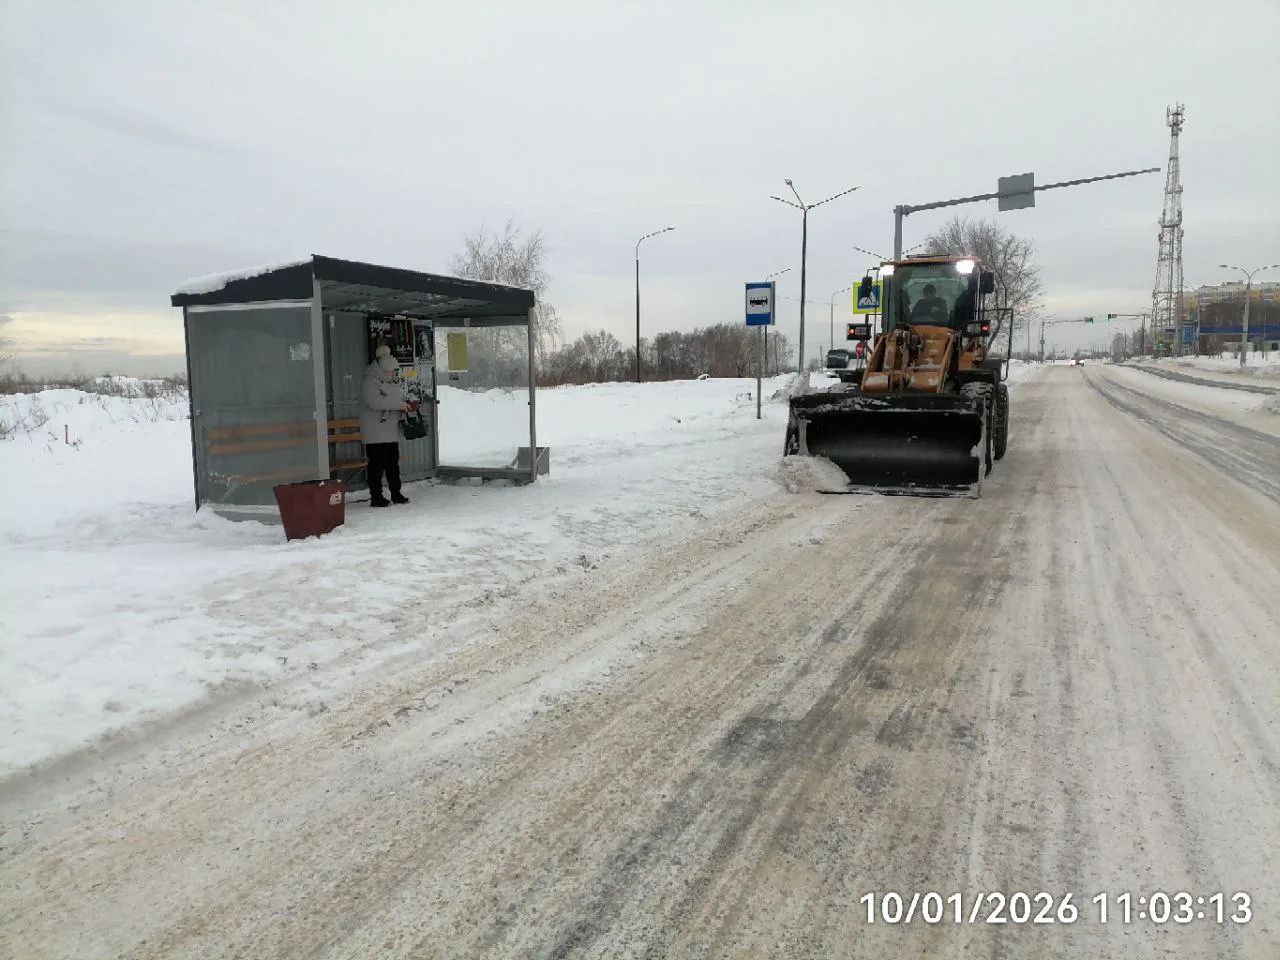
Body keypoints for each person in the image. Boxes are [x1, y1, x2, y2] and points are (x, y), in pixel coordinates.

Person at [360, 345, 412, 507]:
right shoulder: (369, 381)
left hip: (389, 429)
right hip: (375, 431)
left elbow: (396, 396)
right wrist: (400, 405)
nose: (393, 375)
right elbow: (375, 402)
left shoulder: (389, 380)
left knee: (392, 463)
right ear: (382, 370)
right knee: (377, 464)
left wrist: (405, 403)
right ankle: (376, 496)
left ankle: (396, 493)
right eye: (391, 372)